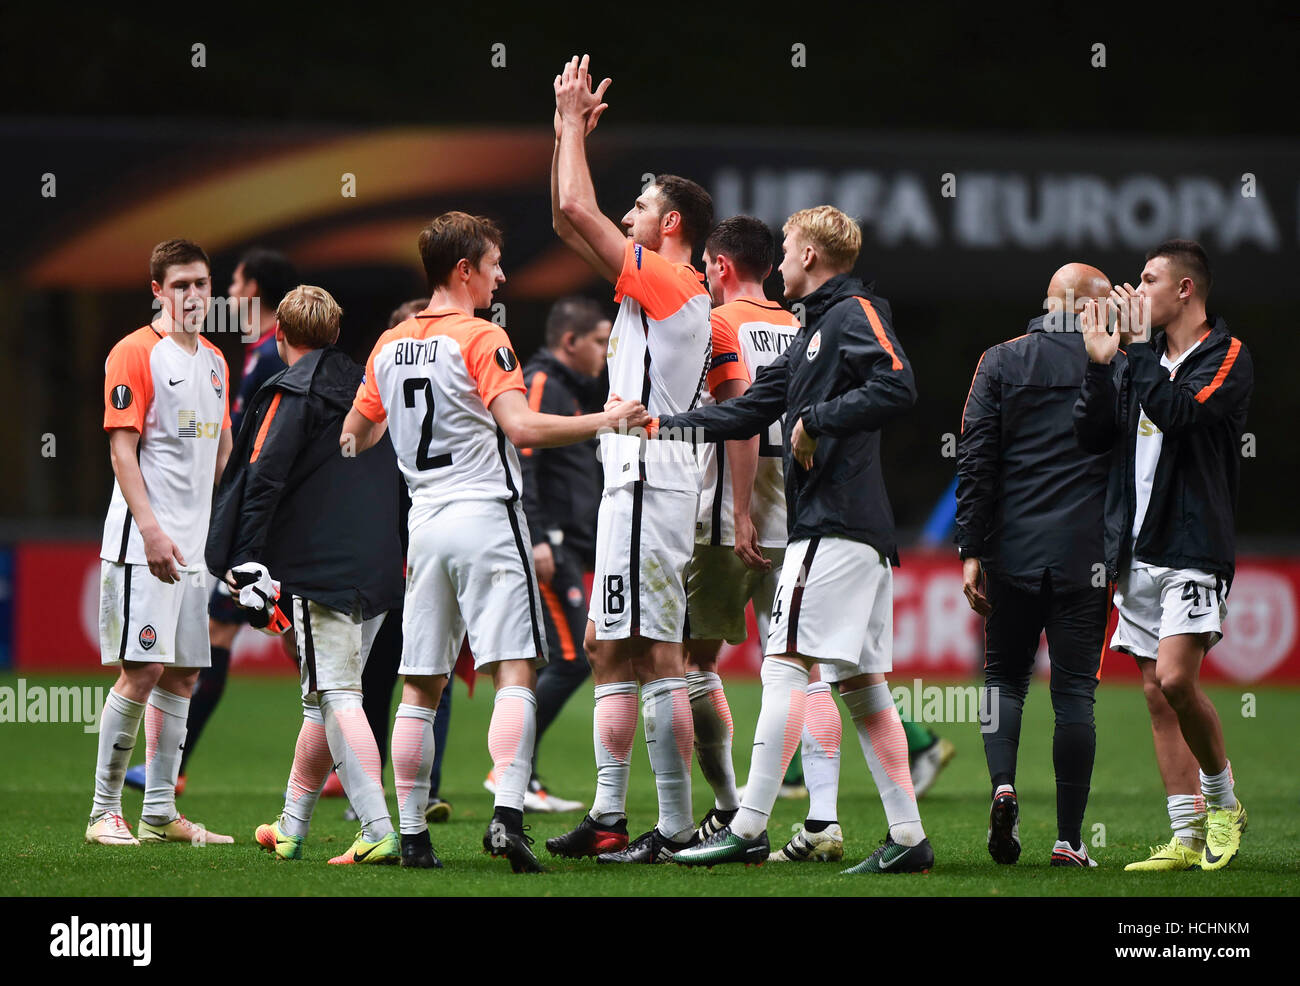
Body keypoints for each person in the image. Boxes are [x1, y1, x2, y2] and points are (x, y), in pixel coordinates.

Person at [341, 211, 649, 872]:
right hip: (486, 516)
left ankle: (414, 837)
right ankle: (508, 815)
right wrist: (609, 419)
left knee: (419, 685)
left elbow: (354, 436)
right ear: (464, 270)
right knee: (516, 668)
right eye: (493, 264)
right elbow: (524, 430)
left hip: (424, 527)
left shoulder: (388, 344)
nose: (501, 275)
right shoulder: (484, 338)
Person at [663, 206, 933, 874]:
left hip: (834, 529)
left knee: (783, 664)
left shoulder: (855, 311)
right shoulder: (811, 328)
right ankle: (907, 839)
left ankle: (748, 826)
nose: (780, 260)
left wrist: (818, 418)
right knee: (862, 688)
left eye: (786, 248)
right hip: (854, 533)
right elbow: (752, 408)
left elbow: (899, 383)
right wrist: (666, 427)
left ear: (810, 254)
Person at [542, 55, 715, 864]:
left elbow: (579, 206)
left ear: (671, 225)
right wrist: (561, 130)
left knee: (660, 655)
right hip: (631, 477)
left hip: (653, 473)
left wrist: (574, 125)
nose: (629, 213)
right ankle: (611, 815)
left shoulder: (676, 285)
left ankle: (676, 827)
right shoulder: (648, 285)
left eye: (642, 205)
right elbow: (563, 217)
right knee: (612, 648)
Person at [206, 284, 406, 865]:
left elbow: (261, 478)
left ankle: (376, 827)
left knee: (337, 692)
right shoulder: (372, 388)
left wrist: (245, 563)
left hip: (325, 573)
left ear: (280, 337)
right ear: (338, 335)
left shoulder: (290, 391)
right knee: (321, 699)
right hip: (378, 567)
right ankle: (291, 826)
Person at [1075, 239, 1253, 872]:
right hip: (1137, 546)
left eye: (1148, 280)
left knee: (1178, 678)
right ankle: (1185, 834)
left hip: (1193, 543)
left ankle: (1224, 802)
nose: (1135, 291)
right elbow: (1092, 435)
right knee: (1155, 694)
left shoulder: (1226, 355)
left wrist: (1133, 352)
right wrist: (1101, 367)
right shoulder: (1134, 360)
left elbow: (1179, 414)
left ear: (1184, 290)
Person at [123, 247, 299, 795]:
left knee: (295, 647)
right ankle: (141, 790)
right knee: (180, 660)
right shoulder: (227, 355)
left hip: (247, 531)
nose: (206, 295)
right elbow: (228, 450)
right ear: (158, 289)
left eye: (216, 283)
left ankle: (353, 762)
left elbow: (245, 452)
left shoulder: (256, 357)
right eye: (185, 284)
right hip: (212, 532)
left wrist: (245, 528)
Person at [955, 262, 1114, 867]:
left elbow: (976, 460)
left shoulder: (999, 360)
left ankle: (1002, 787)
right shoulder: (1116, 367)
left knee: (1002, 679)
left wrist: (971, 550)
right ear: (1093, 308)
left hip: (1011, 552)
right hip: (1085, 558)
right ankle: (1070, 841)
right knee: (1075, 694)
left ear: (1048, 301)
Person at [86, 238, 234, 847]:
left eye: (201, 283)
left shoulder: (217, 362)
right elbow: (122, 447)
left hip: (193, 551)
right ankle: (102, 812)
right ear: (157, 290)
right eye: (180, 285)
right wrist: (151, 528)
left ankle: (159, 811)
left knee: (182, 677)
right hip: (143, 541)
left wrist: (208, 532)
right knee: (142, 669)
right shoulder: (134, 353)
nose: (193, 295)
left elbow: (220, 449)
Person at [681, 216, 799, 843]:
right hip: (800, 523)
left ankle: (730, 809)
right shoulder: (802, 325)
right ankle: (820, 819)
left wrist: (740, 513)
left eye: (705, 264)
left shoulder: (718, 324)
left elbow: (739, 419)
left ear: (721, 267)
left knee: (694, 660)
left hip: (733, 520)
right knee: (803, 667)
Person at [507, 296, 611, 813]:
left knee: (560, 658)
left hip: (569, 545)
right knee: (569, 659)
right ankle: (512, 773)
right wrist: (540, 536)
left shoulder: (569, 388)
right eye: (599, 341)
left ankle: (520, 774)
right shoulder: (543, 382)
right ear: (570, 342)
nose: (605, 352)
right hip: (550, 545)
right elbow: (525, 461)